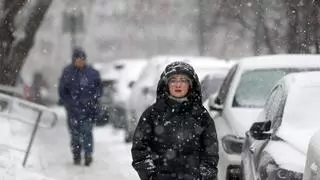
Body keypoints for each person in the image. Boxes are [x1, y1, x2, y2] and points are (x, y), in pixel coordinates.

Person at [131, 61, 219, 180]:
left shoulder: (201, 116)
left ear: (190, 85)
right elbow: (140, 148)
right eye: (173, 80)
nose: (178, 85)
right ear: (166, 85)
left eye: (183, 80)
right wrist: (149, 174)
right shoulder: (153, 114)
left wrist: (205, 175)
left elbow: (210, 152)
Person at [58, 47, 102, 166]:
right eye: (78, 59)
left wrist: (93, 100)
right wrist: (68, 103)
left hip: (88, 110)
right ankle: (76, 155)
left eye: (82, 59)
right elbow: (62, 91)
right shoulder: (67, 72)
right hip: (73, 111)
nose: (81, 62)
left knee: (87, 132)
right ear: (74, 60)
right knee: (75, 135)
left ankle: (88, 155)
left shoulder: (92, 73)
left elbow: (99, 89)